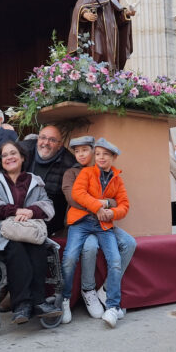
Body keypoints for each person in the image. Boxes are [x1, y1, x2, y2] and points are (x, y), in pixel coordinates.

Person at [0, 141, 61, 323]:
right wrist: (14, 211)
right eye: (5, 155)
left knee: (38, 248)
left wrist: (31, 211)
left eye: (13, 153)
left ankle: (38, 302)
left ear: (22, 157)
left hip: (27, 229)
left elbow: (47, 205)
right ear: (1, 161)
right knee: (16, 249)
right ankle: (22, 304)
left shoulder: (34, 181)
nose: (9, 157)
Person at [61, 136, 136, 319]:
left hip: (103, 223)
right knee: (71, 256)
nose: (101, 157)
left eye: (85, 150)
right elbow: (76, 195)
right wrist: (98, 207)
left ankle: (112, 303)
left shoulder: (116, 179)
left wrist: (110, 211)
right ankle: (66, 299)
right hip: (81, 221)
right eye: (99, 154)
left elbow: (123, 204)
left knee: (117, 257)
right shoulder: (80, 173)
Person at [67, 0, 136, 70]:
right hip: (98, 29)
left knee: (111, 57)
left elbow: (118, 14)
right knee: (98, 52)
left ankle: (111, 77)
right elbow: (79, 7)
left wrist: (127, 13)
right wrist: (86, 14)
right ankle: (96, 76)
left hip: (112, 31)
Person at [18, 125, 76, 236]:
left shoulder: (69, 163)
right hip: (20, 211)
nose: (46, 143)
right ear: (37, 139)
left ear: (60, 145)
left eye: (52, 140)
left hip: (48, 219)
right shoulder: (24, 149)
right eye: (43, 138)